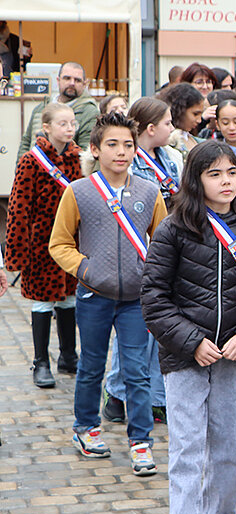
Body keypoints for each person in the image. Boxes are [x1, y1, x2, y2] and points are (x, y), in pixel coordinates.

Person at [141, 140, 236, 514]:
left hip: (234, 359)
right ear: (195, 179)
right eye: (214, 174)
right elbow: (154, 297)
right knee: (186, 451)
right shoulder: (173, 229)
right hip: (184, 357)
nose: (226, 182)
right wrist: (192, 341)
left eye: (232, 172)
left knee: (227, 450)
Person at [49, 112, 168, 475]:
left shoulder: (148, 191)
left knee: (136, 371)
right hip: (93, 296)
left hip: (136, 299)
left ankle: (141, 441)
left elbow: (163, 241)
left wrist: (152, 276)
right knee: (91, 367)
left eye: (128, 145)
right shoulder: (79, 191)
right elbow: (59, 243)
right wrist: (87, 269)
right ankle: (85, 428)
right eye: (112, 145)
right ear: (95, 149)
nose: (121, 152)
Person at [100, 97, 183, 425]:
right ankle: (118, 392)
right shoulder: (129, 164)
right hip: (135, 254)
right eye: (167, 123)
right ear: (151, 129)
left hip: (168, 251)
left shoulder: (171, 159)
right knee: (133, 330)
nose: (172, 128)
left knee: (158, 329)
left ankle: (153, 396)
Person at [5, 102, 83, 387]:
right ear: (46, 127)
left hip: (71, 242)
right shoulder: (31, 160)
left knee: (69, 300)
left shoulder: (77, 159)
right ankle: (40, 362)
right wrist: (16, 251)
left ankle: (68, 356)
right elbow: (18, 207)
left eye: (72, 123)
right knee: (42, 302)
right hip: (40, 244)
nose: (69, 128)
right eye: (63, 123)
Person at [18, 62, 99, 158]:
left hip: (63, 171)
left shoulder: (89, 112)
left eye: (77, 80)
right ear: (58, 80)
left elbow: (86, 154)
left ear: (84, 84)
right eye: (67, 78)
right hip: (32, 168)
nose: (72, 83)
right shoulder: (41, 107)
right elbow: (26, 142)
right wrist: (21, 169)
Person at [158, 82, 205, 158]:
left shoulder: (198, 141)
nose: (199, 120)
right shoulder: (167, 143)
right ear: (180, 111)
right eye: (195, 114)